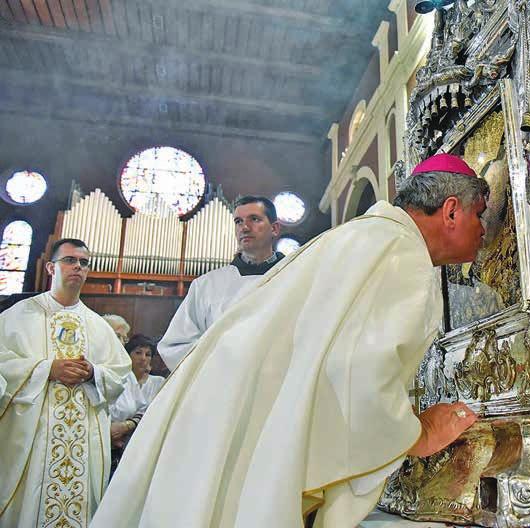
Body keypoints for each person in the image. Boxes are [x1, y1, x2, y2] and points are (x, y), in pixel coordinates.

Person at [91, 153, 486, 528]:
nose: (485, 229)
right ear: (451, 211)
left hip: (220, 416)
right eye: (480, 215)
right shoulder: (401, 254)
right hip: (244, 427)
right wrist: (416, 433)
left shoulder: (360, 237)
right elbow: (355, 372)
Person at [0, 238, 131, 528]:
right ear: (50, 267)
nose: (78, 267)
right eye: (70, 260)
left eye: (84, 263)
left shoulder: (98, 325)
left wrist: (93, 373)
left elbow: (120, 372)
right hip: (34, 437)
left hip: (83, 438)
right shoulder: (17, 316)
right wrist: (47, 369)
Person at [158, 195, 285, 370]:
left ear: (275, 228)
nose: (245, 228)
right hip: (222, 386)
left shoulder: (297, 275)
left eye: (254, 219)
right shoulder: (206, 286)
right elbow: (175, 346)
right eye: (238, 222)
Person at [109, 335, 166, 473]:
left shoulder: (159, 382)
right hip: (114, 443)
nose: (143, 358)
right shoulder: (120, 379)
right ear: (128, 355)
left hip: (145, 444)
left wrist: (128, 425)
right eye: (138, 353)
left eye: (148, 354)